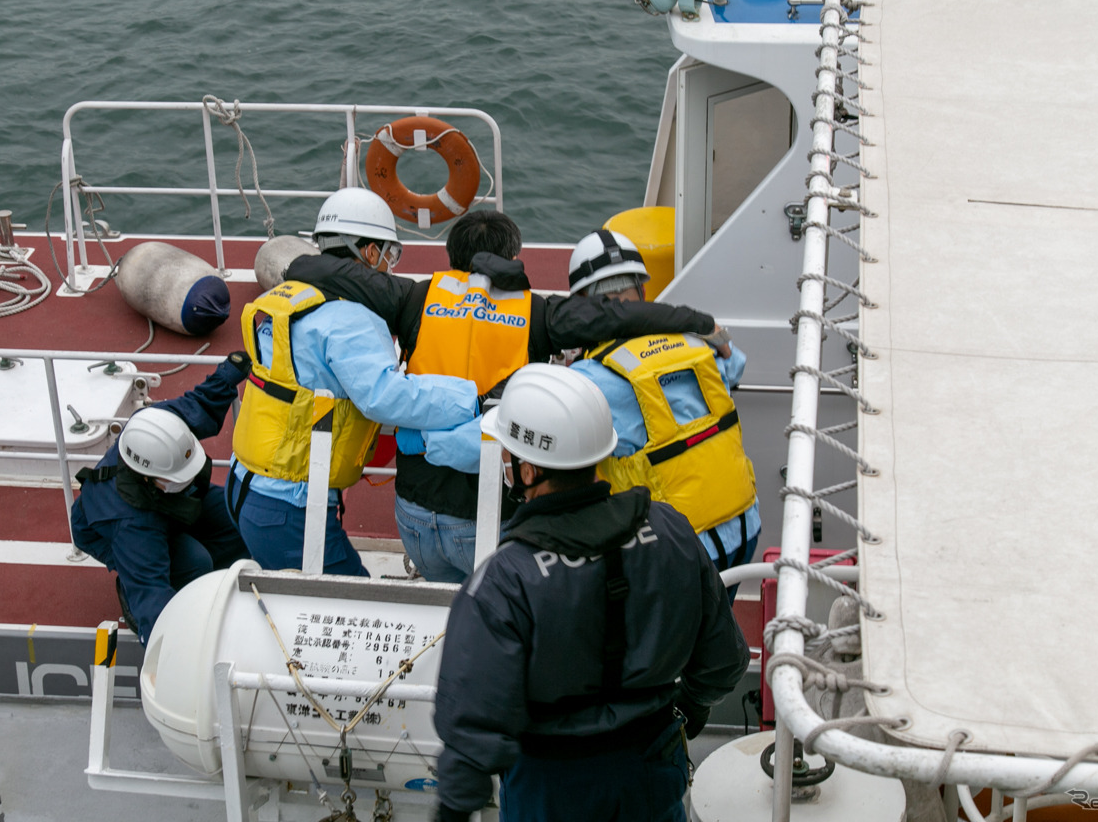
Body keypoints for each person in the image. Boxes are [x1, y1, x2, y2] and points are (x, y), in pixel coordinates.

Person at [286, 208, 731, 584]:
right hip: (488, 522)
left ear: (453, 258)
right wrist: (699, 320)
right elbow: (615, 316)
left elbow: (313, 267)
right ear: (514, 258)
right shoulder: (540, 314)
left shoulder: (415, 297)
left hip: (414, 518)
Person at [433, 364, 749, 822]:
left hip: (551, 786)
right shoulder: (670, 529)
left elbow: (473, 730)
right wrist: (691, 704)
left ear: (528, 468)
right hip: (651, 764)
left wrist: (452, 810)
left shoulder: (505, 581)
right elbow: (723, 661)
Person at [227, 187, 480, 576]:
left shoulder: (291, 297)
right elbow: (385, 398)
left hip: (244, 484)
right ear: (368, 252)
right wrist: (471, 397)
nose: (389, 265)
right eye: (388, 253)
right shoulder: (351, 319)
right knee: (349, 607)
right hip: (289, 505)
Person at [566, 229, 762, 582]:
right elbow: (736, 364)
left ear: (581, 305)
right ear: (642, 291)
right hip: (745, 524)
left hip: (679, 549)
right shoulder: (693, 341)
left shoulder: (591, 377)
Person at [70, 351, 253, 646]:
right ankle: (131, 589)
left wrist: (229, 373)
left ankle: (210, 582)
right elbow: (152, 598)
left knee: (240, 513)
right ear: (148, 476)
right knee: (195, 562)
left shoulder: (158, 426)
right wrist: (172, 653)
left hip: (162, 503)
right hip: (123, 524)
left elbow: (199, 403)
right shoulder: (132, 526)